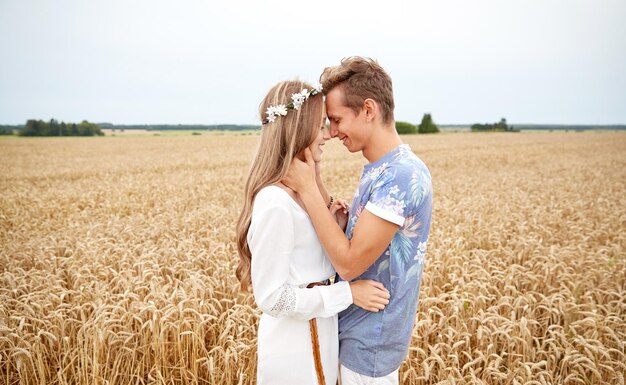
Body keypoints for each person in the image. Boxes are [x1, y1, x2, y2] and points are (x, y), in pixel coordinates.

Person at [283, 57, 433, 384]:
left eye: (336, 120)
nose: (332, 132)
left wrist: (308, 188)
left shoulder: (400, 176)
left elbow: (350, 264)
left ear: (368, 109)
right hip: (359, 335)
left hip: (369, 345)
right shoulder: (384, 167)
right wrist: (320, 182)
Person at [235, 80, 391, 385]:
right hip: (293, 350)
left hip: (318, 333)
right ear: (297, 130)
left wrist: (337, 224)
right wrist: (347, 293)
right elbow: (272, 298)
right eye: (320, 126)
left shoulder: (301, 196)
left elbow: (310, 266)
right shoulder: (275, 202)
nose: (328, 135)